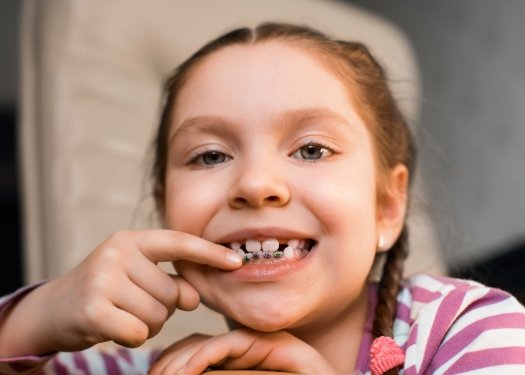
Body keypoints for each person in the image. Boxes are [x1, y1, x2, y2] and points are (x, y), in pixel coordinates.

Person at [1, 22, 524, 375]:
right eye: (209, 156)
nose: (255, 184)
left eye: (312, 149)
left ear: (387, 207)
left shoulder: (473, 328)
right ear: (167, 212)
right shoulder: (138, 369)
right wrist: (33, 318)